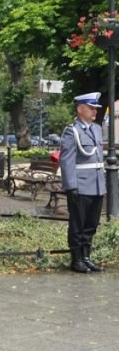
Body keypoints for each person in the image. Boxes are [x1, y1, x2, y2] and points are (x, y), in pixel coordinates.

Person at [60, 92, 106, 273]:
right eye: (91, 108)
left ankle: (87, 257)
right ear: (80, 109)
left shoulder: (96, 129)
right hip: (80, 185)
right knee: (78, 225)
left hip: (96, 185)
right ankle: (76, 259)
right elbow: (67, 161)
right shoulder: (72, 131)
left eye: (96, 108)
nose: (95, 111)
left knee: (91, 224)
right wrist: (71, 186)